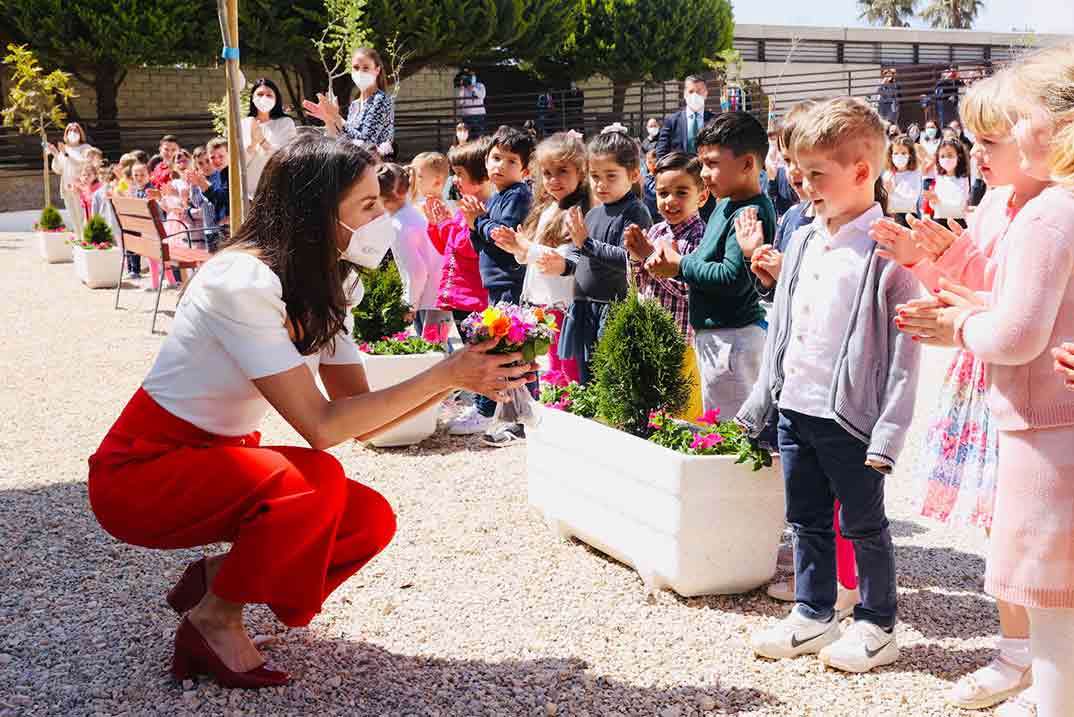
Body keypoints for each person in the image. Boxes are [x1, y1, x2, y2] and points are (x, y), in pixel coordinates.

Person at [87, 133, 536, 690]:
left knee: (366, 519)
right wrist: (446, 373)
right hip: (141, 471)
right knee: (315, 482)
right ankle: (213, 620)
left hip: (210, 457)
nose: (385, 217)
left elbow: (358, 415)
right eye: (369, 206)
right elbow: (322, 429)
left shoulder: (327, 278)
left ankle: (217, 580)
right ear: (316, 212)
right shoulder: (242, 280)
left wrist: (460, 379)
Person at [896, 44, 1074, 717]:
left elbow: (1016, 330)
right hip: (1040, 413)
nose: (980, 150)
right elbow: (997, 298)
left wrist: (958, 328)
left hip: (1043, 421)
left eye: (1006, 126)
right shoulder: (1022, 209)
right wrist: (949, 284)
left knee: (1051, 593)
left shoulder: (1049, 214)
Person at [741, 98, 920, 675]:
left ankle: (876, 622)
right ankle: (814, 611)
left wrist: (888, 431)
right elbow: (788, 321)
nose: (803, 185)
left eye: (817, 174)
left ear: (862, 172)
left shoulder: (889, 250)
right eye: (798, 172)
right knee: (806, 517)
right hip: (797, 405)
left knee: (864, 523)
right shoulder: (803, 240)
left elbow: (903, 352)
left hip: (850, 417)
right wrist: (765, 397)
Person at [644, 112, 773, 420]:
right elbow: (707, 258)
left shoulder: (750, 210)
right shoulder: (726, 202)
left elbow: (731, 276)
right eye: (702, 163)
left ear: (746, 164)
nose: (703, 173)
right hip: (718, 338)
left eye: (713, 163)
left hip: (733, 340)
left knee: (733, 434)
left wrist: (679, 265)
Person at [537, 129, 652, 387]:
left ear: (633, 174)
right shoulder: (594, 213)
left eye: (611, 176)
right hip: (584, 305)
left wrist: (586, 243)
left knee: (609, 376)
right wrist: (564, 265)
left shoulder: (636, 211)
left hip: (612, 306)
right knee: (585, 374)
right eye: (595, 176)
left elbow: (629, 259)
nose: (601, 184)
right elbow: (581, 258)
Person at [447, 126, 535, 437]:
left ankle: (516, 416)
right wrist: (475, 224)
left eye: (510, 161)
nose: (500, 165)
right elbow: (480, 242)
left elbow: (501, 236)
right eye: (496, 158)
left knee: (510, 350)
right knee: (500, 348)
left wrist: (478, 222)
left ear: (524, 169)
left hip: (510, 283)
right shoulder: (499, 196)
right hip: (495, 283)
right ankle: (502, 410)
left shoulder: (517, 194)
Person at [491, 132, 590, 389]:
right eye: (547, 173)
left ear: (581, 172)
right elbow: (531, 258)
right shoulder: (547, 208)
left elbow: (567, 261)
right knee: (548, 370)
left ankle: (565, 412)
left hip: (564, 305)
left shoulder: (579, 210)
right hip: (542, 303)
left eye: (562, 172)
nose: (553, 180)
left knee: (566, 370)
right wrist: (516, 248)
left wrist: (526, 247)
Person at [624, 151, 707, 420]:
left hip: (682, 341)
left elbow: (690, 288)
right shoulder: (657, 231)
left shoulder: (701, 236)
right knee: (652, 406)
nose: (670, 201)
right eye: (663, 193)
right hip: (650, 333)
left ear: (702, 196)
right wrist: (636, 257)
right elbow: (638, 281)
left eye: (681, 192)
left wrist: (649, 257)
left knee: (682, 412)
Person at [423, 140, 493, 351]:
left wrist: (445, 224)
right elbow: (448, 247)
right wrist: (437, 224)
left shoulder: (482, 208)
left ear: (481, 176)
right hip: (460, 297)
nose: (455, 180)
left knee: (480, 353)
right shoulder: (466, 205)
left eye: (460, 174)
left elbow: (468, 246)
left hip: (473, 299)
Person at [377, 163, 442, 339]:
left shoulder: (400, 225)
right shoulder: (408, 216)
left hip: (429, 299)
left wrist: (409, 305)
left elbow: (417, 272)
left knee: (433, 351)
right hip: (435, 294)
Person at [303, 47, 394, 156]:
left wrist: (337, 117)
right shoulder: (355, 105)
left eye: (365, 68)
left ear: (377, 70)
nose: (360, 72)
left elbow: (367, 144)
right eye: (356, 68)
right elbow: (344, 140)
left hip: (375, 167)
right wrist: (329, 119)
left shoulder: (380, 100)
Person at [242, 78, 298, 200]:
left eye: (269, 95)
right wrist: (252, 145)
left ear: (276, 99)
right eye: (260, 94)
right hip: (247, 194)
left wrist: (263, 142)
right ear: (252, 97)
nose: (264, 98)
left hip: (275, 192)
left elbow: (287, 158)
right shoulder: (244, 124)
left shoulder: (285, 123)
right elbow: (238, 163)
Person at [47, 122, 92, 239]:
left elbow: (82, 164)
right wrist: (56, 155)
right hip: (67, 188)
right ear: (66, 134)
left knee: (83, 216)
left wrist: (66, 154)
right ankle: (78, 239)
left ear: (80, 133)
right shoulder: (64, 148)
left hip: (80, 188)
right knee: (73, 216)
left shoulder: (86, 148)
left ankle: (85, 239)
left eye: (75, 130)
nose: (72, 133)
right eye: (69, 130)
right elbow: (58, 169)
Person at [656, 75, 715, 159]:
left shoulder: (715, 121)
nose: (695, 95)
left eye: (699, 91)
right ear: (684, 94)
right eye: (691, 91)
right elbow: (661, 152)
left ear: (706, 93)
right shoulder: (672, 121)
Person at [926, 138, 970, 227]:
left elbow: (959, 204)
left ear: (959, 157)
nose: (946, 159)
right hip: (939, 221)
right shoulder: (938, 177)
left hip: (957, 222)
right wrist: (933, 200)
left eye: (950, 155)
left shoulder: (963, 179)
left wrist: (939, 202)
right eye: (942, 156)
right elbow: (933, 206)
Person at [883, 135, 923, 226]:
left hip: (907, 220)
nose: (899, 156)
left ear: (910, 155)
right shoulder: (887, 174)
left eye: (903, 153)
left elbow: (911, 200)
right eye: (896, 153)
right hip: (890, 218)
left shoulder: (915, 174)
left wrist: (891, 192)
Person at [456, 69, 487, 138]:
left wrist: (473, 88)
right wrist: (462, 89)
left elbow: (482, 96)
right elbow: (460, 102)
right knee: (468, 137)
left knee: (479, 137)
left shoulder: (480, 85)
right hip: (467, 116)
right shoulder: (464, 88)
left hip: (479, 116)